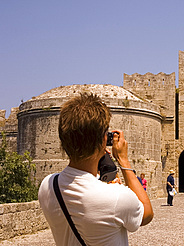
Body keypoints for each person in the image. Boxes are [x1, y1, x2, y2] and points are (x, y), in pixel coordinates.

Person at [38, 93, 153, 245]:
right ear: (103, 140)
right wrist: (123, 160)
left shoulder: (47, 185)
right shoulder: (117, 197)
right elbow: (147, 213)